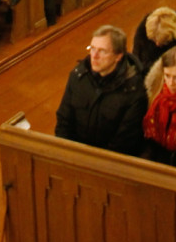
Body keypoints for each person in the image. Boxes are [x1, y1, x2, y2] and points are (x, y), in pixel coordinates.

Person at [55, 25, 147, 155]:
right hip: (74, 155)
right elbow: (64, 120)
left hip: (109, 163)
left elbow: (124, 142)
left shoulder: (134, 92)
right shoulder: (78, 76)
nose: (94, 56)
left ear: (118, 56)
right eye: (92, 49)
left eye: (102, 51)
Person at [131, 6, 176, 73]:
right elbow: (137, 62)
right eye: (153, 39)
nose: (157, 43)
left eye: (163, 41)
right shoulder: (143, 30)